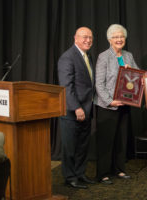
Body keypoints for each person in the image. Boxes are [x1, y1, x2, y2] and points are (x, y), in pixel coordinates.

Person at [95, 24, 139, 184]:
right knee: (107, 141)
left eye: (121, 37)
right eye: (115, 37)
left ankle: (119, 170)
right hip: (108, 105)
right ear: (109, 40)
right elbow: (99, 83)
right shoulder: (103, 56)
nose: (119, 39)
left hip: (125, 104)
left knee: (121, 139)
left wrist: (131, 71)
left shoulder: (128, 56)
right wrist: (109, 101)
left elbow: (138, 77)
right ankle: (103, 173)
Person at [58, 27, 95, 189]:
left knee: (82, 146)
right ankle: (70, 177)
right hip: (72, 111)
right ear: (75, 38)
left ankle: (80, 174)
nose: (88, 40)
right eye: (84, 37)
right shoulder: (67, 57)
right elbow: (66, 86)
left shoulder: (88, 56)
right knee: (70, 147)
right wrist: (76, 108)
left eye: (90, 38)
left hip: (87, 109)